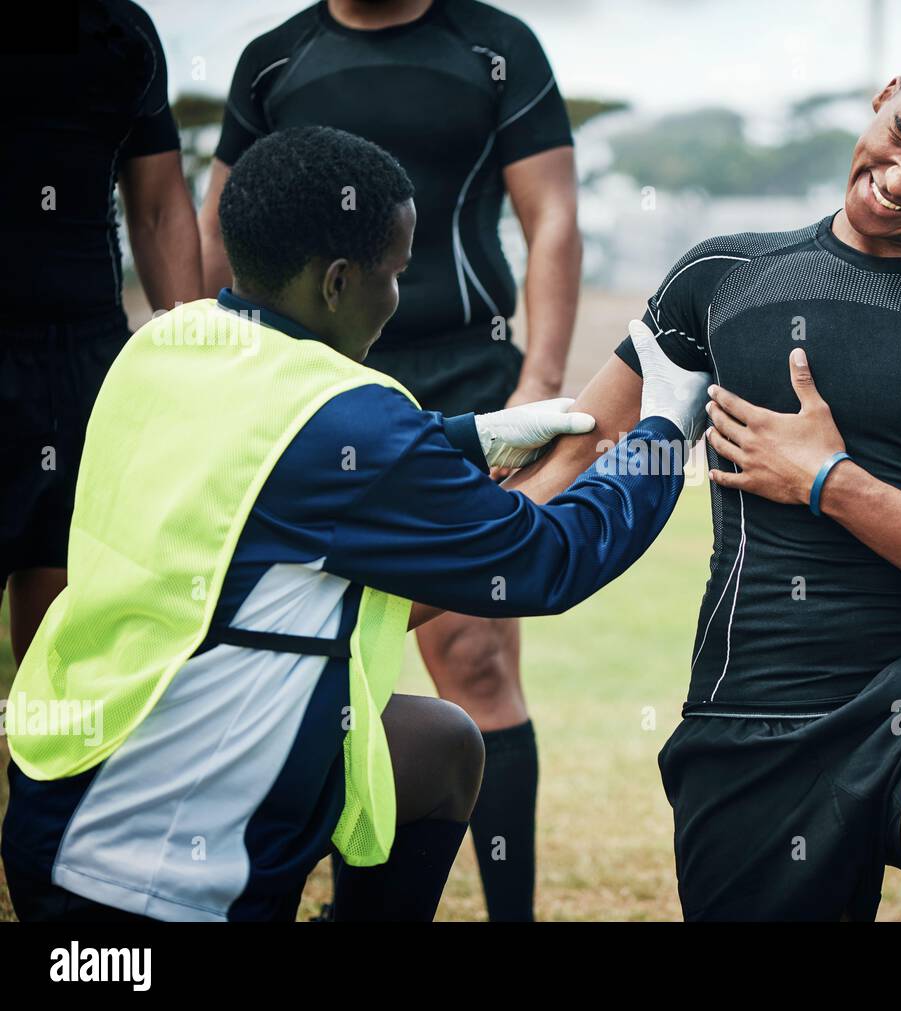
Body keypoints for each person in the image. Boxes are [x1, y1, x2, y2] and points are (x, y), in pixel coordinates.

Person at [1, 126, 707, 922]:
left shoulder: (163, 346)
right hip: (152, 880)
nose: (398, 297)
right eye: (394, 274)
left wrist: (469, 437)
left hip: (56, 808)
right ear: (337, 282)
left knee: (440, 746)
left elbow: (266, 461)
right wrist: (662, 439)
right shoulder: (350, 415)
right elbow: (547, 558)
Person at [509, 42, 901, 921]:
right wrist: (407, 582)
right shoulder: (720, 277)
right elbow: (581, 455)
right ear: (885, 97)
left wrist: (830, 481)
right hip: (751, 714)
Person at [198, 0, 580, 920]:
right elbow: (220, 225)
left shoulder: (496, 47)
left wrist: (538, 382)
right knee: (293, 646)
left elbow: (554, 218)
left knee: (475, 656)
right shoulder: (274, 61)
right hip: (307, 381)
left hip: (462, 369)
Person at [0, 0, 201, 667]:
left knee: (63, 651)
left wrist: (195, 374)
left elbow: (158, 205)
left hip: (85, 367)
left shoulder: (122, 31)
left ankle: (44, 772)